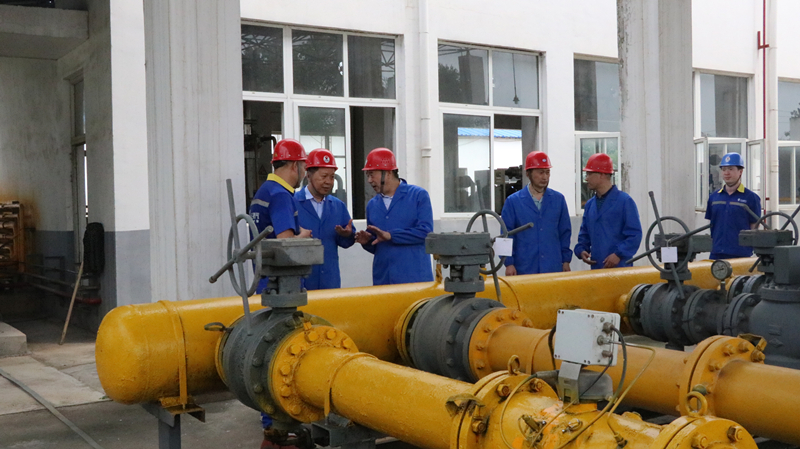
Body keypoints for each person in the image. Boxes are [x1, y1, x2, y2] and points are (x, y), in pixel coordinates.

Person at [248, 138, 310, 449]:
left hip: (263, 281)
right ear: (294, 166)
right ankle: (280, 427)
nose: (304, 173)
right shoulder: (282, 195)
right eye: (304, 167)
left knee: (266, 353)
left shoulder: (263, 191)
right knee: (282, 354)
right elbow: (286, 241)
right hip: (281, 286)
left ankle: (271, 425)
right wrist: (304, 235)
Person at [355, 148, 434, 285]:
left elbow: (425, 232)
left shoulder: (418, 196)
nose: (369, 180)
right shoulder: (372, 205)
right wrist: (366, 241)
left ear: (388, 173)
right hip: (384, 280)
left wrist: (391, 235)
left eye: (372, 175)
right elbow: (377, 245)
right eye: (368, 175)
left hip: (415, 280)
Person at [293, 148, 356, 289]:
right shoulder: (293, 203)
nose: (329, 182)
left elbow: (347, 242)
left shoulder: (338, 206)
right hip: (301, 284)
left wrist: (347, 235)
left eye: (332, 177)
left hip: (330, 282)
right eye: (324, 176)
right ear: (308, 175)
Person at [501, 151, 572, 275]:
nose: (545, 177)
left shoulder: (558, 200)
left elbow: (564, 233)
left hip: (552, 267)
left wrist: (566, 260)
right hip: (523, 268)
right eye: (540, 172)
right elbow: (504, 235)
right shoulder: (513, 202)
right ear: (528, 174)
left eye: (547, 172)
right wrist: (508, 263)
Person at [574, 153, 642, 269]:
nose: (586, 178)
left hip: (620, 269)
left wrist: (618, 254)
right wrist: (581, 250)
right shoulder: (590, 205)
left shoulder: (625, 202)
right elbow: (585, 233)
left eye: (589, 174)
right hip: (597, 268)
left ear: (602, 175)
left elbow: (634, 235)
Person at [705, 152, 761, 259]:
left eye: (730, 169)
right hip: (716, 253)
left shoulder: (751, 198)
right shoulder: (714, 197)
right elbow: (712, 223)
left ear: (740, 171)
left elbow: (754, 227)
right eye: (724, 169)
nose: (726, 173)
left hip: (741, 254)